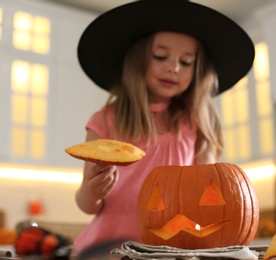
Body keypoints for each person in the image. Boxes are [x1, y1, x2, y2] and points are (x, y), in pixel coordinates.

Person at [73, 0, 255, 253]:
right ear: (138, 60)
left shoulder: (196, 121)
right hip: (112, 249)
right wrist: (91, 190)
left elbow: (213, 189)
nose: (174, 67)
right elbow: (86, 205)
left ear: (197, 70)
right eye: (161, 56)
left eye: (186, 62)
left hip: (174, 249)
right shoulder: (105, 121)